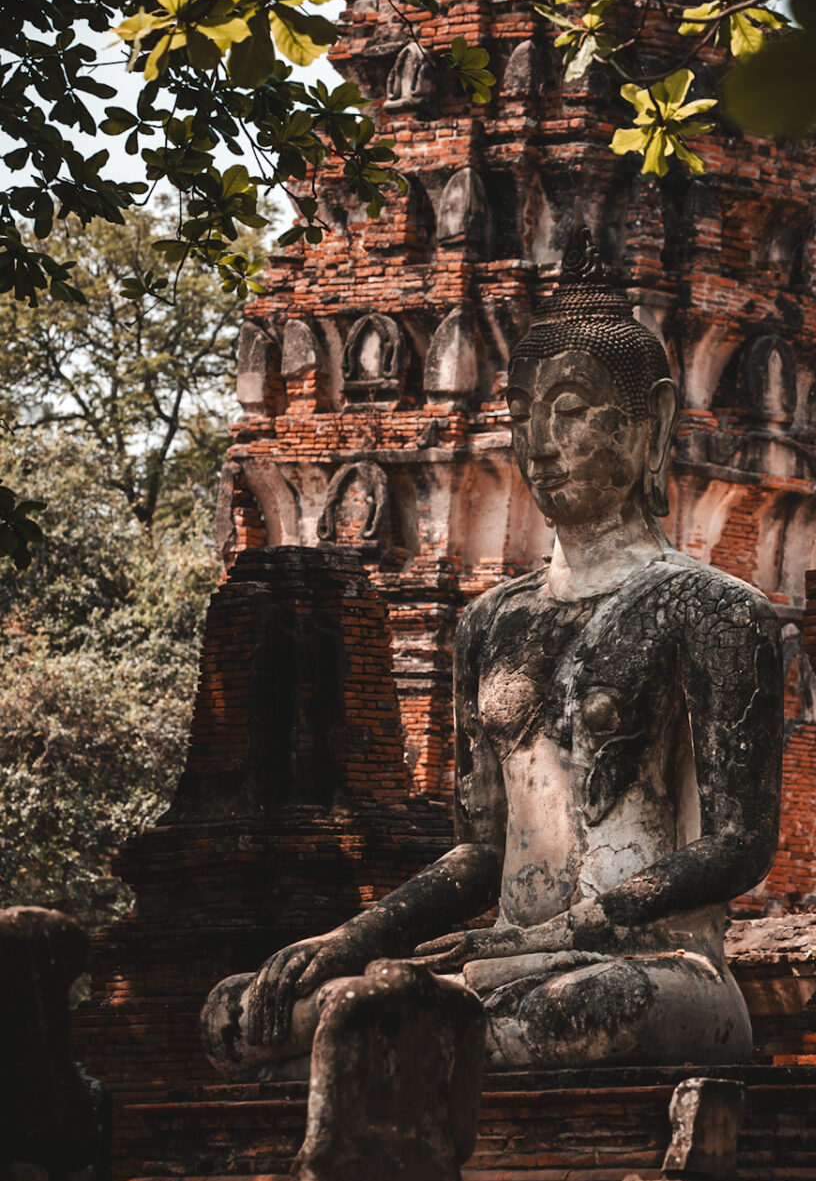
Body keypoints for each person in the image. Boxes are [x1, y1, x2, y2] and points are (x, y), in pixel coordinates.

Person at [201, 229, 783, 1075]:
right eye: (524, 417)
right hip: (505, 960)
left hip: (650, 966)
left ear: (651, 421)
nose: (542, 444)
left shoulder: (714, 611)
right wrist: (348, 936)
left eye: (573, 413)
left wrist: (581, 925)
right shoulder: (489, 624)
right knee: (237, 1016)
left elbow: (741, 845)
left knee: (584, 1010)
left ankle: (396, 1056)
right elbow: (481, 851)